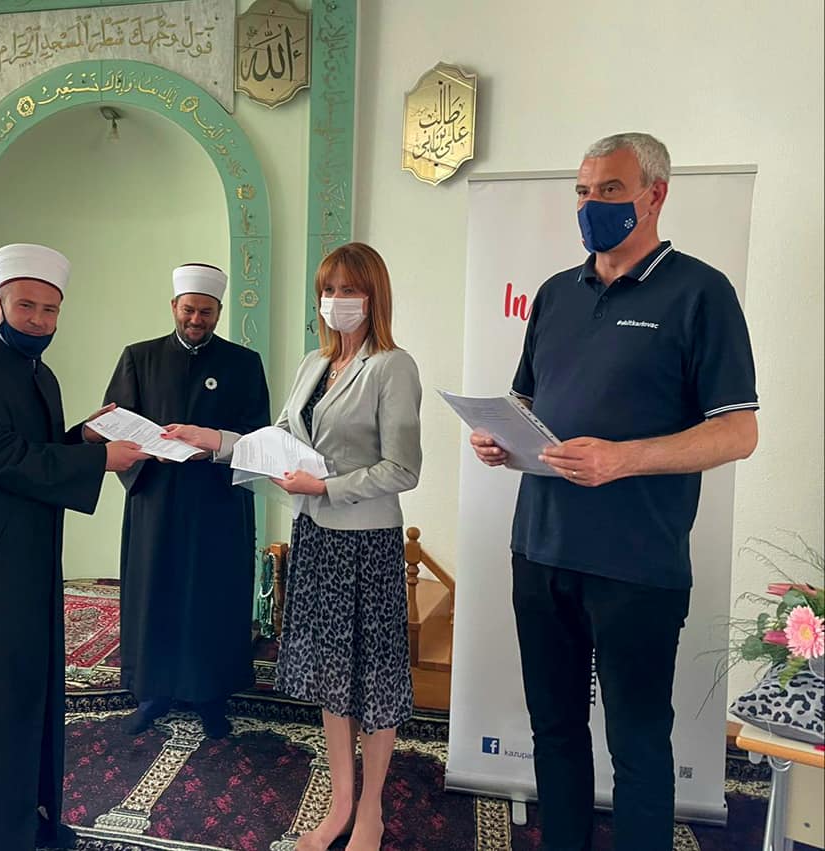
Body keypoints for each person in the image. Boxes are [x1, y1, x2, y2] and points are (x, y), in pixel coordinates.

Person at [471, 133, 759, 851]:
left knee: (637, 741)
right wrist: (502, 439)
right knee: (555, 729)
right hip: (540, 549)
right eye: (582, 190)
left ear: (654, 195)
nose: (590, 204)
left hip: (636, 563)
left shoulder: (701, 293)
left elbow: (737, 432)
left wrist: (623, 459)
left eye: (609, 190)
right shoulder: (555, 294)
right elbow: (528, 400)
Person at [168, 242, 423, 851]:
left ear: (374, 296)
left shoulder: (392, 366)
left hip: (365, 544)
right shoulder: (315, 362)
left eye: (348, 290)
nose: (335, 301)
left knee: (374, 679)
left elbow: (403, 469)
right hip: (315, 537)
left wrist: (326, 486)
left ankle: (370, 812)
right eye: (327, 290)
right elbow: (279, 437)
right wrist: (216, 440)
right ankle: (339, 806)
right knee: (333, 678)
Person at [0, 243, 148, 851]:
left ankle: (21, 822)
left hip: (26, 562)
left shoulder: (40, 374)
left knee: (25, 698)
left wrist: (84, 436)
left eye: (50, 310)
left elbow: (36, 452)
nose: (39, 320)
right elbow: (1, 459)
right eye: (27, 306)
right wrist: (99, 459)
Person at [98, 263, 270, 738]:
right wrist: (146, 449)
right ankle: (152, 692)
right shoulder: (140, 357)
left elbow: (259, 435)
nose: (197, 319)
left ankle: (211, 695)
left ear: (219, 312)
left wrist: (211, 444)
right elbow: (115, 425)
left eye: (206, 312)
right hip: (157, 498)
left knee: (213, 595)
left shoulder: (243, 363)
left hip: (217, 501)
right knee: (156, 592)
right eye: (189, 310)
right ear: (174, 306)